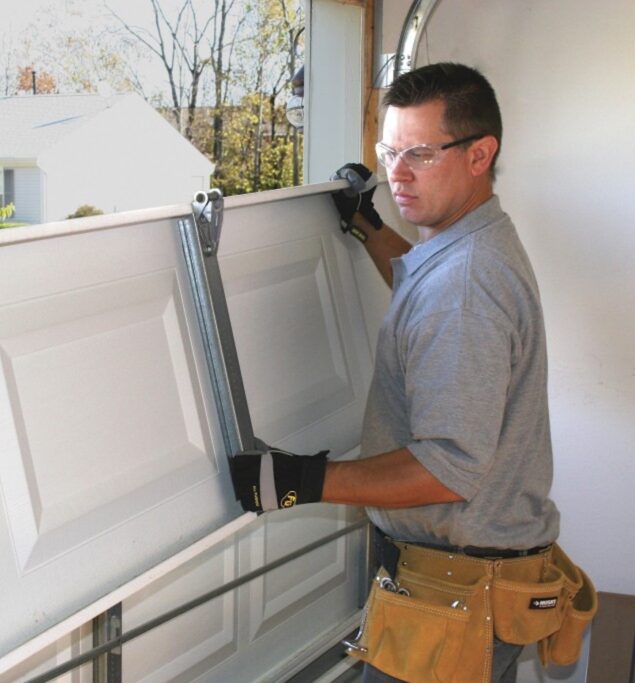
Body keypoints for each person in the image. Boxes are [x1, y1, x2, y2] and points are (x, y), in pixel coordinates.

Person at [231, 63, 592, 682]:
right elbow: (420, 281)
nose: (397, 173)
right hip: (466, 579)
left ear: (480, 154)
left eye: (420, 154)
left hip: (454, 593)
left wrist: (300, 480)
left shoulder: (467, 286)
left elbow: (448, 468)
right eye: (389, 151)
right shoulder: (468, 243)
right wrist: (368, 226)